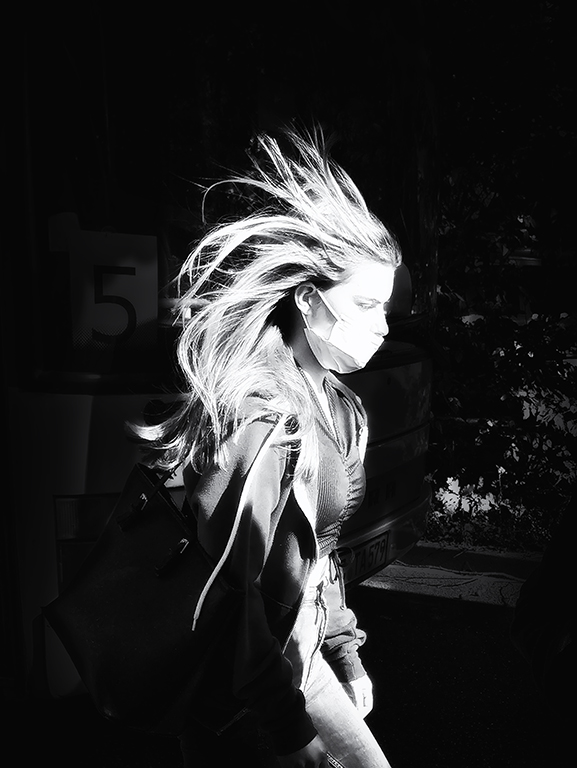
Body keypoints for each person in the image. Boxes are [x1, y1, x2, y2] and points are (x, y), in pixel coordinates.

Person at [135, 128, 401, 767]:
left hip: (298, 657)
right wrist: (288, 729)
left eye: (387, 308)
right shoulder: (261, 415)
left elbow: (318, 553)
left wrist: (343, 652)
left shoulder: (336, 404)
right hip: (240, 691)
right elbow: (233, 590)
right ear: (308, 299)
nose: (381, 327)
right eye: (365, 304)